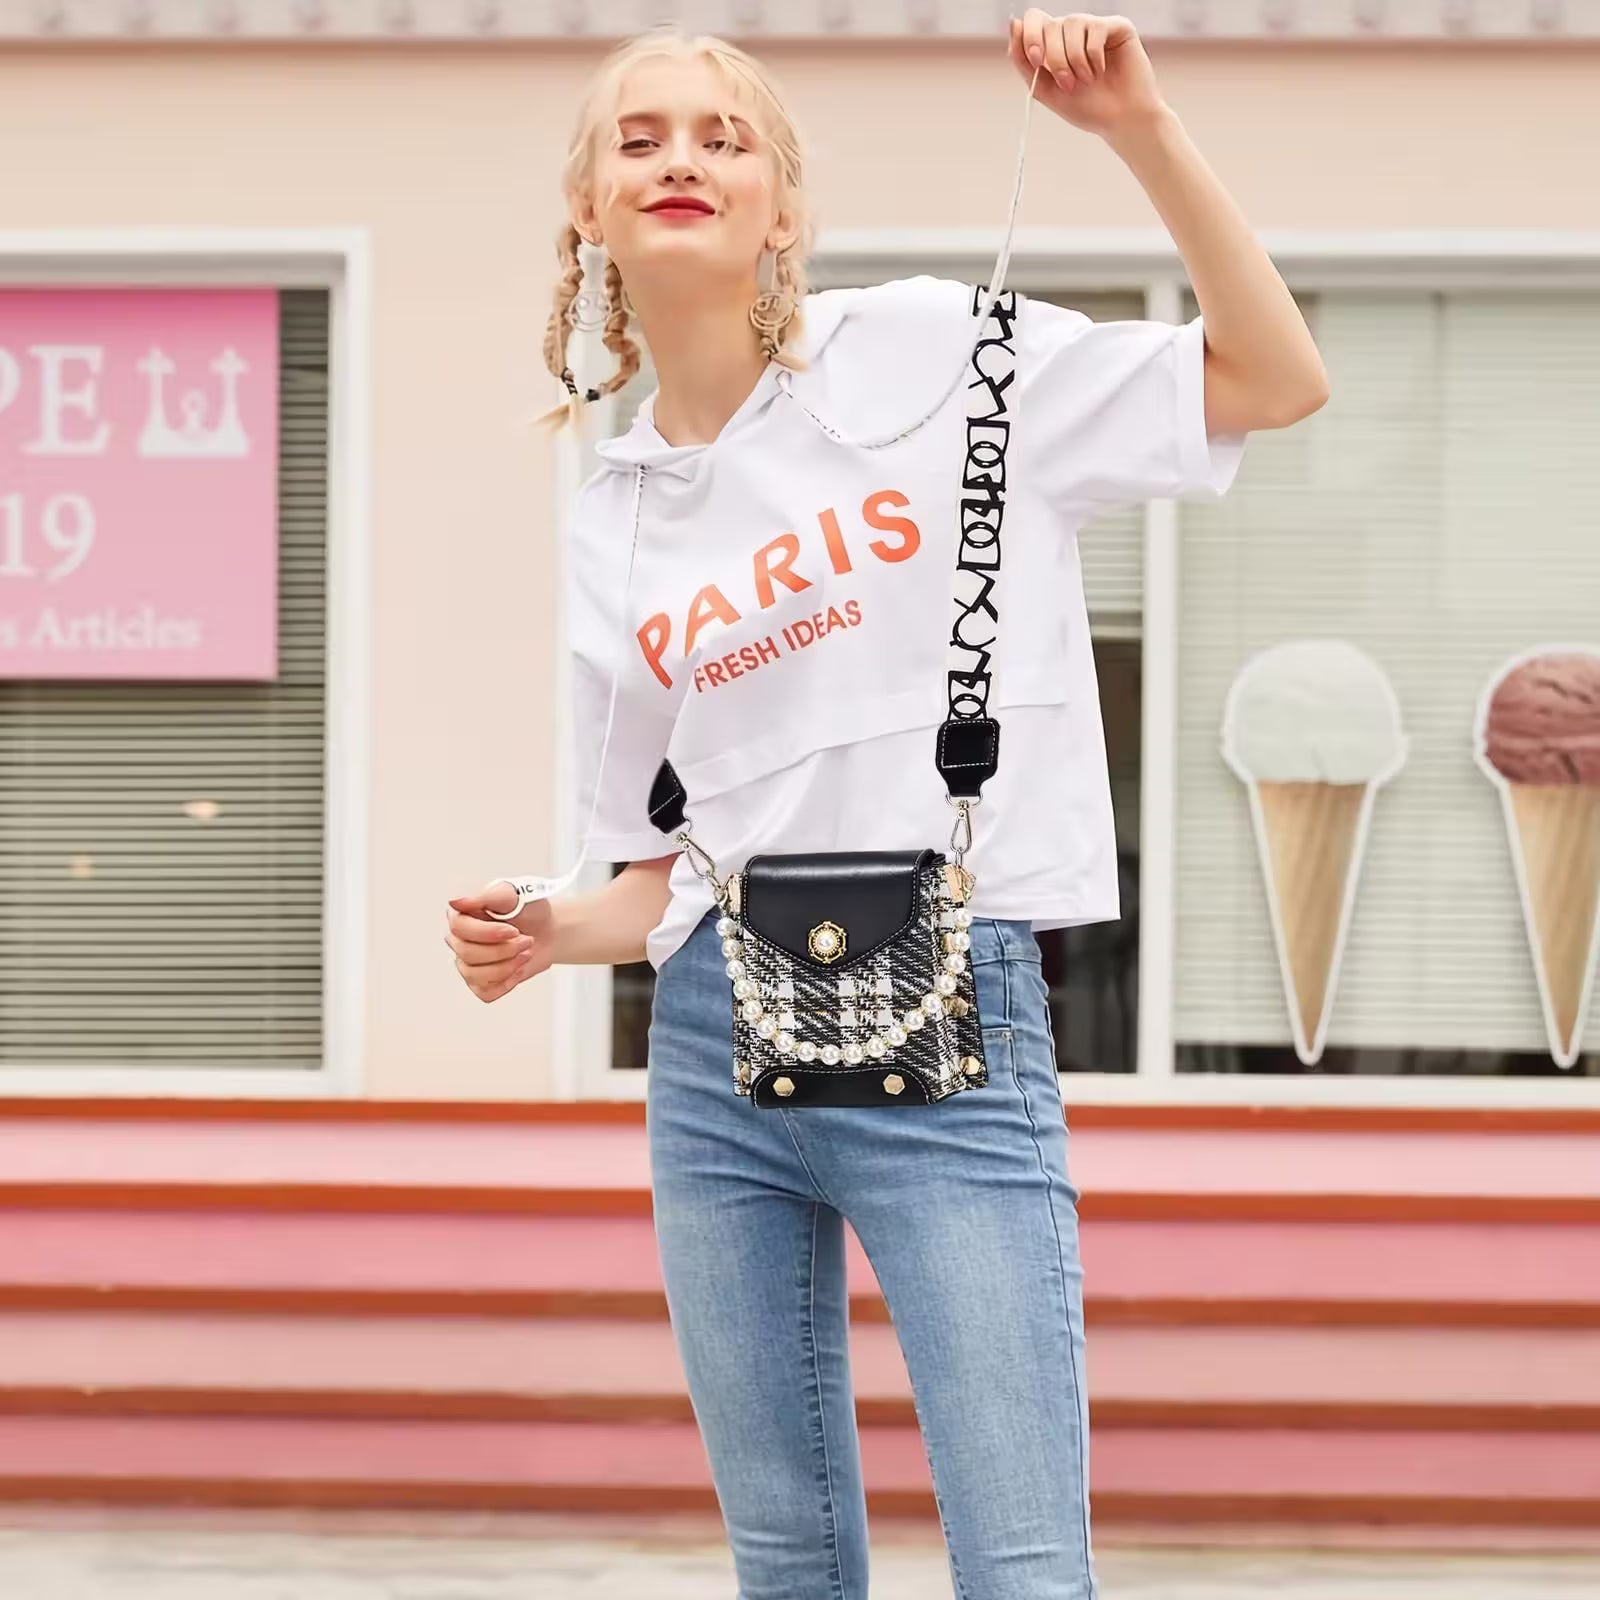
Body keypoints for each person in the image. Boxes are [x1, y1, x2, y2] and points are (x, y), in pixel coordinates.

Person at [444, 13, 1326, 1597]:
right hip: (717, 1047)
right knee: (786, 1560)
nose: (682, 159)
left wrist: (1136, 129)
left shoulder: (930, 357)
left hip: (958, 1015)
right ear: (587, 204)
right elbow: (652, 880)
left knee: (1023, 1565)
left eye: (724, 137)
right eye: (639, 138)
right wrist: (541, 927)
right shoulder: (618, 512)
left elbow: (1274, 374)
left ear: (783, 203)